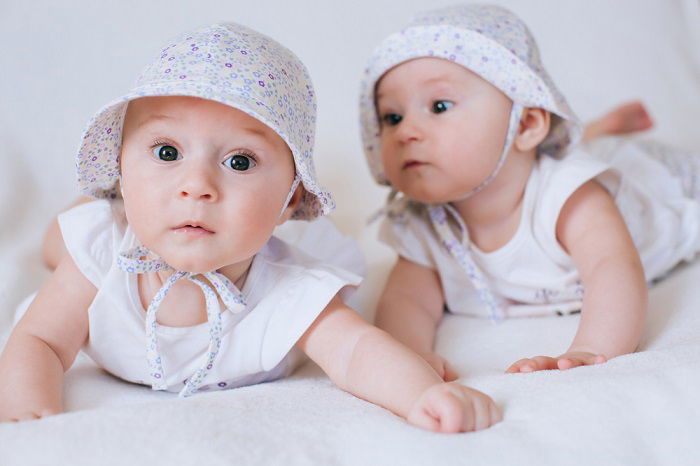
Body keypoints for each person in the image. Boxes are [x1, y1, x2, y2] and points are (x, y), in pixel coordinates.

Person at [0, 23, 501, 433]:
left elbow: (356, 352)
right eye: (167, 153)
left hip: (270, 245)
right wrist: (31, 415)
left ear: (291, 199)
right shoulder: (101, 253)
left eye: (240, 161)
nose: (197, 186)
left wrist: (423, 395)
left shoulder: (290, 288)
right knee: (62, 242)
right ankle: (90, 210)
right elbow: (39, 341)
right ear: (123, 171)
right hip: (120, 224)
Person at [360, 4, 700, 379]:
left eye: (439, 106)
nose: (406, 131)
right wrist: (410, 353)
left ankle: (601, 131)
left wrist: (591, 349)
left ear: (524, 124)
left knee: (624, 162)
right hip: (533, 155)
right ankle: (598, 128)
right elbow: (408, 301)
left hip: (655, 181)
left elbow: (614, 268)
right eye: (392, 117)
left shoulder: (570, 194)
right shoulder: (423, 222)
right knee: (566, 149)